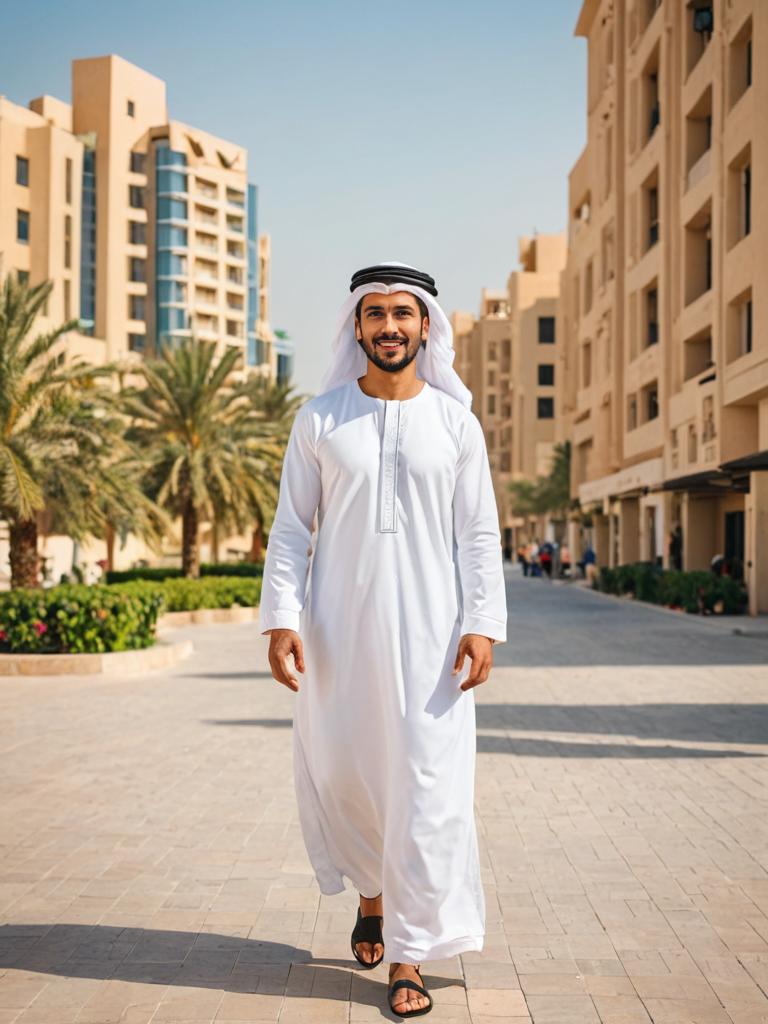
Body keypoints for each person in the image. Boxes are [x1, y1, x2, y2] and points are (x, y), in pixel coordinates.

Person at [258, 261, 507, 1018]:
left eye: (404, 313)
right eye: (376, 315)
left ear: (426, 325)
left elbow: (478, 534)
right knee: (349, 778)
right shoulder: (321, 419)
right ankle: (372, 897)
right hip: (340, 637)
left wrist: (483, 623)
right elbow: (292, 528)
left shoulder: (456, 423)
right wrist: (281, 619)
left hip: (433, 644)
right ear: (356, 328)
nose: (390, 327)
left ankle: (410, 956)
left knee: (429, 794)